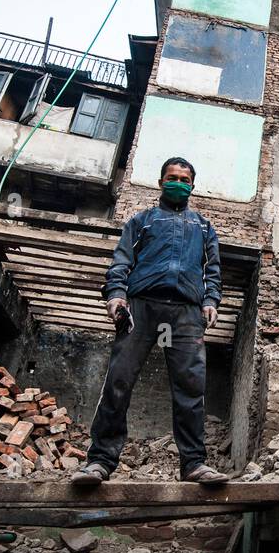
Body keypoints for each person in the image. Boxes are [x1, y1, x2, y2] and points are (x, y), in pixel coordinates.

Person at [72, 157, 229, 485]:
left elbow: (213, 270)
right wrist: (116, 294)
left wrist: (211, 300)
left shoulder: (203, 226)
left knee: (190, 387)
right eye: (172, 177)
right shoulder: (141, 221)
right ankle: (99, 461)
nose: (178, 183)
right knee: (119, 380)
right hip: (142, 309)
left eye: (185, 179)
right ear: (160, 182)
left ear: (192, 186)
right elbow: (122, 260)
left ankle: (193, 464)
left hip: (185, 315)